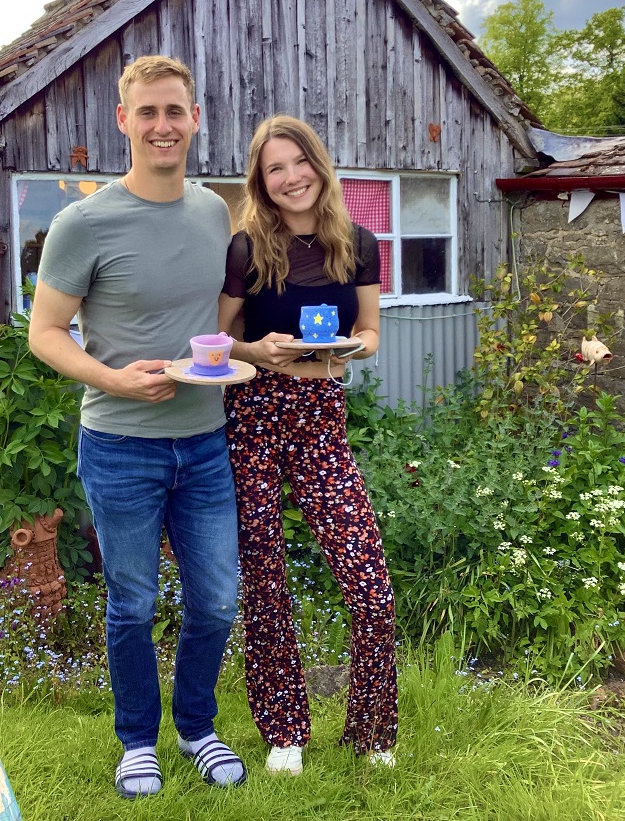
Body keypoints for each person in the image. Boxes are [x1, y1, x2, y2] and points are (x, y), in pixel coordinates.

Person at [29, 55, 245, 798]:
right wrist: (114, 377)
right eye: (147, 112)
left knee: (216, 599)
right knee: (133, 602)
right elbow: (47, 332)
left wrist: (257, 352)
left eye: (175, 112)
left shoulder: (214, 209)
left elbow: (215, 319)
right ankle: (135, 741)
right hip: (120, 444)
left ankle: (196, 727)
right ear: (123, 121)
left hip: (205, 442)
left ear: (194, 119)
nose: (163, 126)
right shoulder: (82, 221)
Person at [218, 115, 398, 777]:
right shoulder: (245, 248)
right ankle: (285, 730)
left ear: (319, 166)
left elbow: (372, 329)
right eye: (275, 168)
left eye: (299, 162)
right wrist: (255, 350)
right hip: (255, 414)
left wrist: (350, 348)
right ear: (261, 183)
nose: (291, 176)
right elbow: (216, 341)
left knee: (369, 582)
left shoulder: (358, 241)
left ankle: (375, 728)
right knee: (264, 580)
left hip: (322, 415)